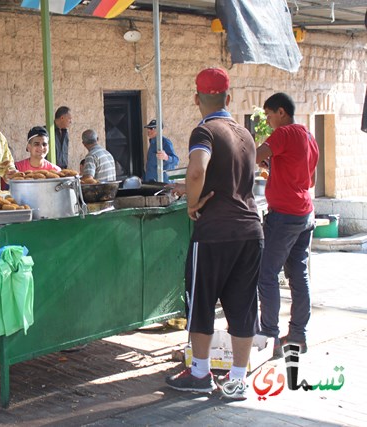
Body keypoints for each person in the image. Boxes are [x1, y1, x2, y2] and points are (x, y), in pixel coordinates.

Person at [165, 68, 263, 400]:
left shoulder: (204, 130)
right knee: (243, 305)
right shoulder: (245, 134)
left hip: (215, 233)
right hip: (251, 231)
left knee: (202, 302)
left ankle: (200, 373)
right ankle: (237, 380)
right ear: (229, 98)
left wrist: (192, 203)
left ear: (196, 98)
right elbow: (228, 180)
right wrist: (188, 187)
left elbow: (197, 169)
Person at [256, 92, 319, 358]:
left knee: (266, 274)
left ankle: (269, 335)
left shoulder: (284, 133)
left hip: (285, 215)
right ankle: (297, 335)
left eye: (269, 116)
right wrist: (275, 169)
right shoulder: (309, 137)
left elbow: (254, 155)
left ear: (281, 112)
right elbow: (310, 180)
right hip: (305, 214)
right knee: (298, 276)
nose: (269, 122)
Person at [143, 119, 179, 183]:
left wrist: (166, 157)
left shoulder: (165, 142)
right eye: (148, 128)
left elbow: (176, 161)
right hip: (152, 183)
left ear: (159, 130)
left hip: (163, 183)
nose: (148, 130)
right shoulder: (152, 143)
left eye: (152, 128)